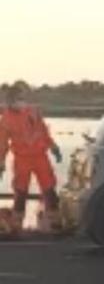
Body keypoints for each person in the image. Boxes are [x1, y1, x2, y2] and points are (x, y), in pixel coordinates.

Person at [0, 83, 63, 232]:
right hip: (22, 159)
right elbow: (2, 144)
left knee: (49, 188)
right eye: (17, 99)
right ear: (10, 101)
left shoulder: (34, 112)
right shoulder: (6, 119)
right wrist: (1, 162)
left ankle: (54, 222)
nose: (21, 102)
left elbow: (44, 132)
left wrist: (54, 147)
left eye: (22, 98)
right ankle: (17, 224)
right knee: (20, 190)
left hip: (40, 157)